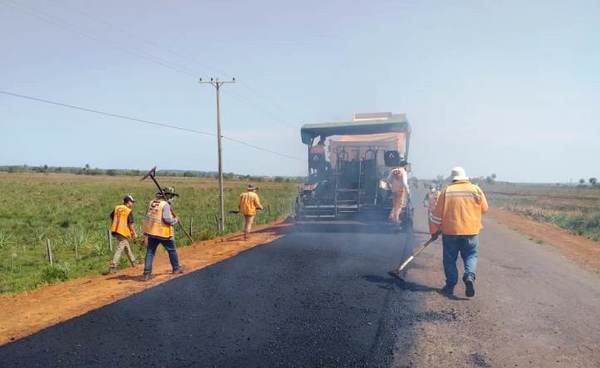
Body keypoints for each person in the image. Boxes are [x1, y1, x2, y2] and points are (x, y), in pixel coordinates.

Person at [430, 167, 488, 297]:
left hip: (450, 232)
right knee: (471, 255)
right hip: (471, 231)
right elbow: (485, 209)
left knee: (449, 259)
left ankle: (450, 285)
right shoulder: (476, 189)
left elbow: (437, 215)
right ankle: (469, 276)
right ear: (465, 177)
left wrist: (435, 230)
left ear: (453, 178)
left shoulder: (447, 191)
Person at [141, 187, 184, 281]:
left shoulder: (152, 202)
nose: (172, 198)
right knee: (172, 250)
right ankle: (176, 268)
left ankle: (146, 274)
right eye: (171, 196)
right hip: (163, 232)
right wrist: (176, 220)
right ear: (168, 196)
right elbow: (167, 219)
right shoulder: (165, 205)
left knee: (150, 252)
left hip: (152, 231)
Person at [108, 194, 138, 273]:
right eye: (132, 202)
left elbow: (111, 216)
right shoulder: (128, 211)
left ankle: (133, 261)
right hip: (122, 231)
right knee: (120, 247)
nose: (132, 204)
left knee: (126, 245)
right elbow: (131, 224)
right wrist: (134, 233)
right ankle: (113, 266)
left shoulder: (117, 207)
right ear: (128, 202)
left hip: (115, 229)